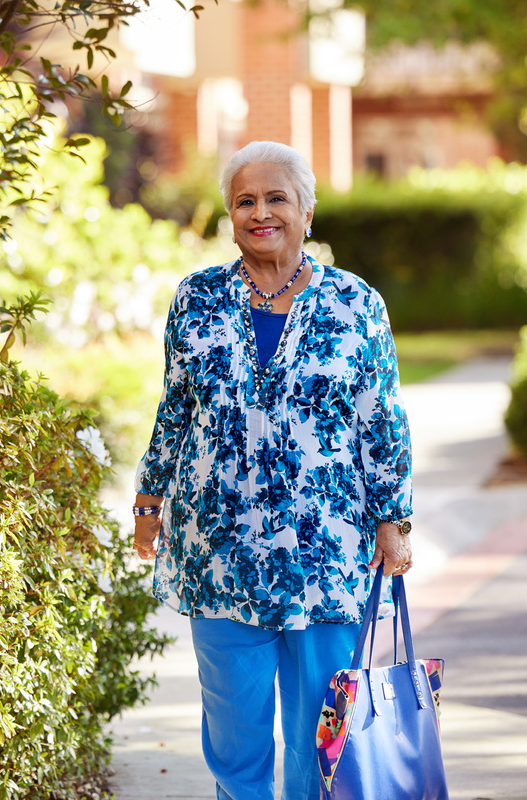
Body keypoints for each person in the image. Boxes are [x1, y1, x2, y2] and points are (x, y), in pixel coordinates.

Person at [132, 141, 413, 800]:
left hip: (325, 552)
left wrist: (393, 520)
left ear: (306, 211)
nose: (261, 212)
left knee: (321, 735)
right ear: (231, 215)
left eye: (276, 198)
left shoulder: (355, 304)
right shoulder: (196, 299)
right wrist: (150, 500)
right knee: (236, 734)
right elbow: (174, 407)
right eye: (245, 201)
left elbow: (383, 422)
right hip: (219, 553)